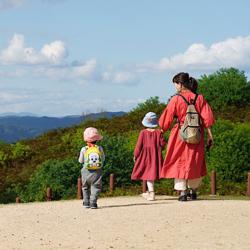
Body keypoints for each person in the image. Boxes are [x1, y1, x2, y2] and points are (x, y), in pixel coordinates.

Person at [159, 72, 215, 201]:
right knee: (194, 161)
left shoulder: (176, 99)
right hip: (197, 134)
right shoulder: (199, 98)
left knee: (178, 161)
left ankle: (182, 192)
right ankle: (193, 190)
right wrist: (210, 136)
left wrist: (161, 131)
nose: (175, 87)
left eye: (175, 84)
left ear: (180, 84)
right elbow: (207, 118)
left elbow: (166, 119)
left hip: (180, 134)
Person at [131, 112, 166, 201]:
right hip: (155, 156)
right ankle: (149, 192)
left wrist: (135, 155)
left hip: (145, 156)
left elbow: (139, 146)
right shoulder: (159, 132)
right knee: (151, 173)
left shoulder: (143, 132)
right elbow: (162, 145)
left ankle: (151, 193)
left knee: (147, 174)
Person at [78, 127, 105, 209]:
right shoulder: (99, 148)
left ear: (86, 140)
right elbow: (103, 159)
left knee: (85, 186)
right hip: (97, 171)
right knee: (96, 186)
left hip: (86, 171)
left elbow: (80, 161)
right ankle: (93, 203)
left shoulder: (84, 149)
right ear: (97, 139)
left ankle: (86, 202)